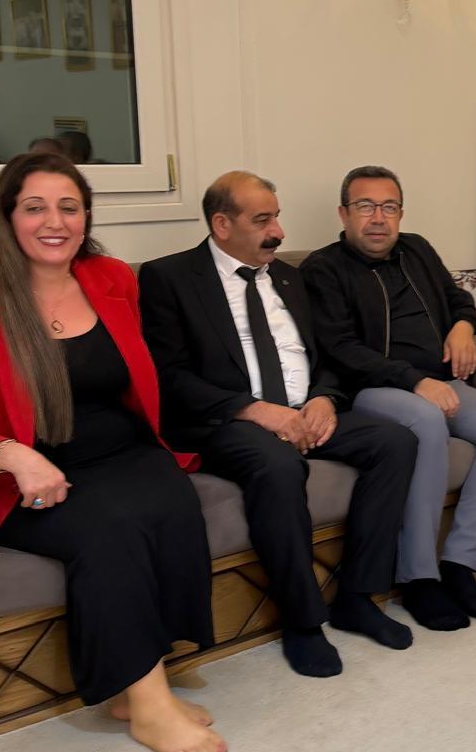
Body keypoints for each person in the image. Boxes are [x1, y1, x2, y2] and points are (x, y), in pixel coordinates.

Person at [0, 152, 224, 752]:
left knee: (174, 503)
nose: (55, 222)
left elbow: (136, 376)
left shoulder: (111, 277)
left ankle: (135, 686)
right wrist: (8, 453)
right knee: (109, 531)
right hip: (23, 473)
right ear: (7, 216)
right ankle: (149, 708)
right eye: (34, 207)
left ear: (86, 217)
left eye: (69, 207)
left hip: (119, 446)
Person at [139, 172, 417, 678]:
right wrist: (255, 410)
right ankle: (302, 621)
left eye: (277, 217)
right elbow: (169, 375)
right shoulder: (170, 278)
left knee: (394, 441)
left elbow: (326, 353)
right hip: (227, 420)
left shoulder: (289, 276)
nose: (279, 232)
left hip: (301, 408)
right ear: (222, 224)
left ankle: (357, 597)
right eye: (263, 220)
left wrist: (324, 399)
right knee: (278, 465)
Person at [301, 166, 476, 633]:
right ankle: (419, 578)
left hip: (438, 383)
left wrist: (463, 327)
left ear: (401, 214)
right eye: (365, 207)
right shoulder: (322, 268)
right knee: (425, 420)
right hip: (371, 389)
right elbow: (340, 348)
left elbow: (459, 299)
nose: (378, 218)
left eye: (389, 207)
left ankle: (460, 565)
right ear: (344, 214)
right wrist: (413, 381)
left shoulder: (418, 249)